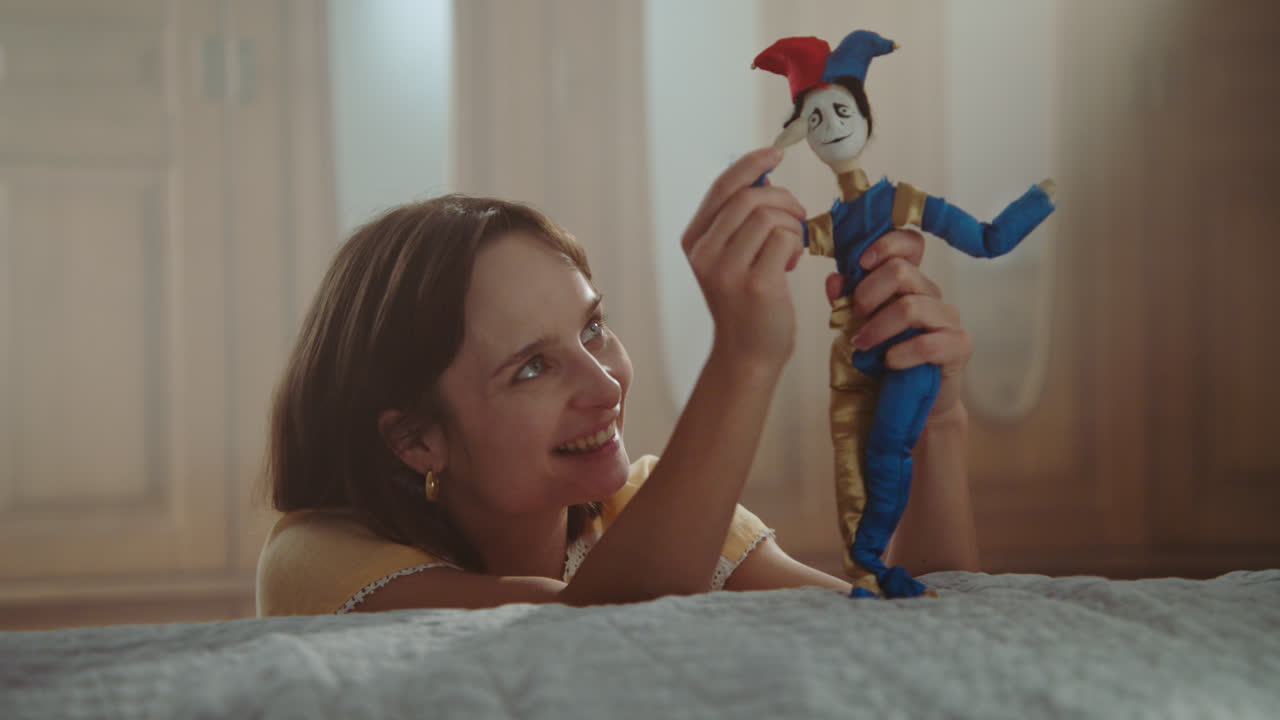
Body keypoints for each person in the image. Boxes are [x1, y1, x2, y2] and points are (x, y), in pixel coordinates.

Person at [254, 147, 979, 616]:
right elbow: (579, 632)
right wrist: (745, 358)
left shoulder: (653, 510)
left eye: (593, 328)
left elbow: (910, 632)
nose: (605, 385)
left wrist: (932, 423)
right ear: (416, 440)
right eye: (532, 366)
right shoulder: (314, 560)